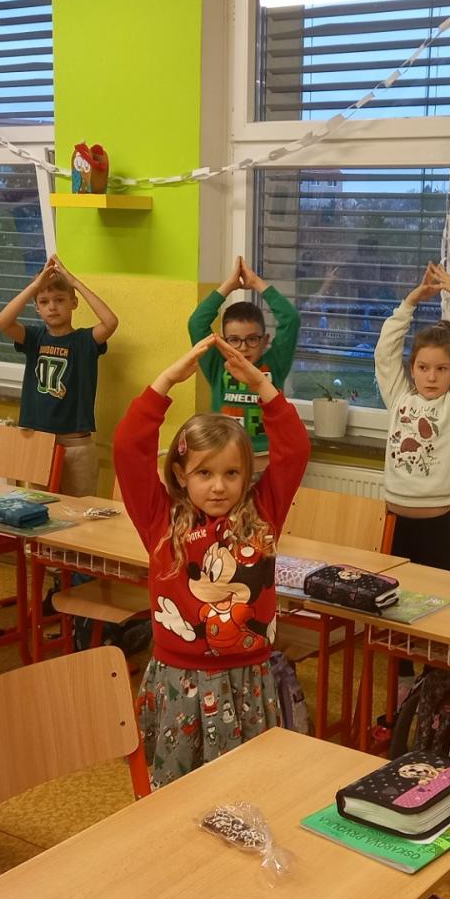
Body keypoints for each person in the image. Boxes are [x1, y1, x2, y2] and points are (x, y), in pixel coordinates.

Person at [113, 335, 310, 788]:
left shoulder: (262, 514)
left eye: (231, 473)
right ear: (180, 475)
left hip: (247, 678)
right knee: (176, 790)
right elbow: (127, 450)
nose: (218, 486)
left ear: (247, 475)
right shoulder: (161, 520)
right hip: (179, 679)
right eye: (204, 473)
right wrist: (164, 383)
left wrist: (262, 385)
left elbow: (295, 450)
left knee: (245, 786)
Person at [375, 262, 450, 574]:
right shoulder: (399, 396)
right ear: (412, 369)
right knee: (388, 599)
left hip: (437, 530)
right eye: (423, 368)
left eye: (442, 369)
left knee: (435, 600)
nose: (432, 377)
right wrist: (410, 302)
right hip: (393, 525)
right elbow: (385, 353)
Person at [0, 253, 118, 497]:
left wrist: (75, 283)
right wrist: (35, 286)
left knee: (80, 510)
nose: (52, 306)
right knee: (42, 507)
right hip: (40, 440)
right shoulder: (34, 338)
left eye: (60, 300)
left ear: (73, 303)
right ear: (37, 308)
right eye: (44, 301)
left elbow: (110, 322)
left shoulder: (84, 340)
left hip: (76, 444)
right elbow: (2, 322)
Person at [187, 256, 301, 464]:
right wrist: (228, 286)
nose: (243, 347)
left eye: (252, 339)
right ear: (224, 342)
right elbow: (196, 324)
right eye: (234, 340)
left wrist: (256, 283)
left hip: (266, 456)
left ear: (265, 340)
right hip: (225, 454)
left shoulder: (275, 363)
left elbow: (290, 319)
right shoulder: (217, 365)